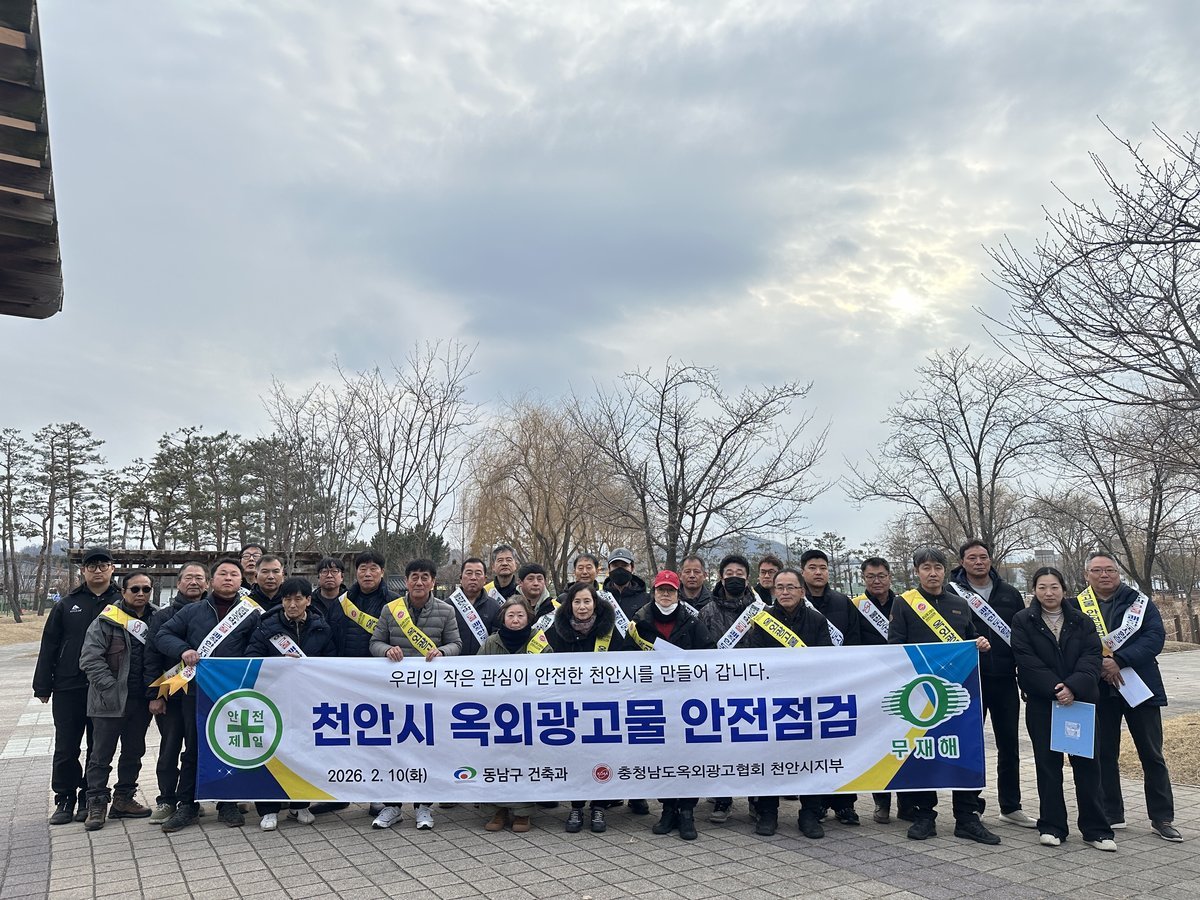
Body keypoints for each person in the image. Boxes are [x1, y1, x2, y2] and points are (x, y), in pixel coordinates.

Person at [888, 547, 1000, 845]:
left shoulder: (959, 604)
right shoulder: (904, 604)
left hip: (959, 693)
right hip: (921, 695)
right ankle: (924, 816)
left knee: (964, 750)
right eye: (926, 568)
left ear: (944, 570)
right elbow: (895, 648)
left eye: (938, 567)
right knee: (925, 752)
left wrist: (980, 643)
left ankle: (967, 817)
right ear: (916, 571)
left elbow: (969, 639)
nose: (933, 573)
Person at [1010, 567, 1114, 850]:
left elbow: (1091, 657)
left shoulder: (1082, 620)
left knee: (1088, 766)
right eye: (1042, 587)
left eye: (1054, 587)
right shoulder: (1023, 620)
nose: (1049, 593)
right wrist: (1056, 689)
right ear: (1034, 591)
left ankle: (1096, 829)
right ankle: (1052, 826)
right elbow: (1026, 660)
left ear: (1064, 590)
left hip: (1080, 702)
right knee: (1047, 766)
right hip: (1044, 704)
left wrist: (1073, 687)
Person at [1081, 551, 1181, 841]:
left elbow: (1154, 638)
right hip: (1100, 688)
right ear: (1087, 575)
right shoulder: (1078, 606)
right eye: (1097, 570)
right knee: (1104, 753)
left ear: (1118, 573)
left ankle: (1162, 817)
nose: (1104, 575)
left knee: (1152, 754)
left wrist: (1119, 660)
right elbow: (1075, 642)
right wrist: (1100, 664)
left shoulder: (1140, 603)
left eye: (1110, 570)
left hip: (1140, 687)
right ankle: (1112, 813)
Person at [156, 558, 261, 833]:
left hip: (233, 692)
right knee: (194, 748)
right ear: (211, 581)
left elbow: (258, 646)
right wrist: (183, 650)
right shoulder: (193, 611)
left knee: (229, 746)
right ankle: (187, 805)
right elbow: (163, 635)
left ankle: (227, 803)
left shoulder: (251, 613)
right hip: (197, 692)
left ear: (241, 581)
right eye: (222, 574)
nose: (228, 578)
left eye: (234, 574)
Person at [370, 559, 462, 831]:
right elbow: (375, 642)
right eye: (414, 577)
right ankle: (392, 806)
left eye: (425, 577)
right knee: (393, 748)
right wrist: (386, 650)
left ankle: (424, 806)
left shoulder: (446, 610)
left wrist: (442, 652)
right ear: (406, 581)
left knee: (427, 749)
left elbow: (456, 643)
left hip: (430, 694)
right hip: (396, 693)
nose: (419, 582)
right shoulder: (390, 610)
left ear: (433, 581)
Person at [744, 567, 833, 838]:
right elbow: (755, 659)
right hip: (773, 701)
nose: (784, 592)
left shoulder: (817, 620)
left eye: (790, 587)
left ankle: (810, 813)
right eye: (779, 587)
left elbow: (827, 659)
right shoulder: (763, 621)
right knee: (769, 756)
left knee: (810, 758)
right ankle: (767, 812)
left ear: (802, 591)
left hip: (808, 700)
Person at [34, 546, 120, 825]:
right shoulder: (67, 604)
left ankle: (90, 796)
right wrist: (42, 685)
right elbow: (50, 644)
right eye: (91, 566)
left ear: (112, 568)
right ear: (83, 570)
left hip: (105, 687)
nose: (98, 570)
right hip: (68, 685)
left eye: (103, 565)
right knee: (66, 746)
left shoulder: (122, 601)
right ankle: (65, 797)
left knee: (99, 747)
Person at [950, 539, 1032, 828]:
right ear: (962, 562)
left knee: (1009, 744)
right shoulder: (951, 594)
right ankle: (970, 806)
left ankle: (1011, 806)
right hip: (969, 681)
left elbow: (1022, 636)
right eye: (972, 557)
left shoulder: (1009, 593)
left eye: (983, 556)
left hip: (1006, 678)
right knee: (970, 744)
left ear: (990, 559)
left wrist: (1025, 676)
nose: (978, 562)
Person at [247, 577, 337, 830]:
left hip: (307, 701)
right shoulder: (266, 627)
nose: (292, 604)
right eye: (287, 599)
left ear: (308, 600)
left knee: (304, 750)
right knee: (271, 751)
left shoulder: (321, 627)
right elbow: (251, 657)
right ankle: (268, 809)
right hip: (273, 700)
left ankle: (300, 804)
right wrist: (278, 662)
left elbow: (332, 662)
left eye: (298, 599)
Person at [632, 571, 712, 840]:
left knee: (689, 756)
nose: (665, 595)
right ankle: (668, 809)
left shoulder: (692, 621)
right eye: (661, 590)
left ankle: (687, 811)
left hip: (687, 703)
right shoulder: (639, 622)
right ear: (653, 592)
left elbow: (709, 656)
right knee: (661, 756)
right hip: (653, 702)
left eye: (670, 590)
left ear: (678, 594)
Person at [546, 581, 629, 833]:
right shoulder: (555, 632)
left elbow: (625, 665)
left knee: (601, 755)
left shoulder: (610, 632)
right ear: (569, 605)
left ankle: (599, 806)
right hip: (569, 707)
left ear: (596, 604)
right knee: (574, 756)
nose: (582, 607)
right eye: (577, 602)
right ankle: (576, 806)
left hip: (602, 707)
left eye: (587, 601)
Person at [78, 571, 157, 830]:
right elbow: (90, 659)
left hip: (140, 701)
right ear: (123, 591)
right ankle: (96, 803)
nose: (141, 594)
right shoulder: (106, 620)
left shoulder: (157, 618)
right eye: (135, 589)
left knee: (134, 752)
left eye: (146, 589)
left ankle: (124, 799)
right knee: (101, 755)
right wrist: (110, 689)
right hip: (108, 700)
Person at [800, 548, 862, 827]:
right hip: (806, 686)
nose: (818, 572)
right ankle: (817, 804)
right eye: (812, 567)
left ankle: (845, 804)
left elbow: (854, 640)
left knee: (842, 745)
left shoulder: (842, 602)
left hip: (838, 683)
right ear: (803, 571)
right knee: (811, 746)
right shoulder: (796, 602)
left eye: (823, 567)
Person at [477, 596, 549, 833]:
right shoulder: (491, 643)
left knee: (525, 760)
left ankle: (523, 812)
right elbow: (476, 674)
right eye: (511, 615)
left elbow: (550, 673)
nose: (515, 620)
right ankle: (497, 809)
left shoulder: (538, 641)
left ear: (529, 617)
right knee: (496, 759)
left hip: (528, 713)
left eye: (520, 615)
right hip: (496, 713)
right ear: (503, 618)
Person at [143, 561, 208, 822]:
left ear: (207, 583)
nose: (194, 582)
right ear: (178, 582)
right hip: (170, 693)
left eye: (199, 578)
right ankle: (167, 799)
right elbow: (150, 656)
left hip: (202, 695)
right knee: (170, 748)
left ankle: (191, 799)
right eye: (188, 577)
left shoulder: (213, 615)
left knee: (196, 749)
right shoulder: (163, 616)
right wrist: (155, 695)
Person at [852, 556, 912, 825]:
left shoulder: (906, 604)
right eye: (871, 576)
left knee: (905, 741)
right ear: (863, 578)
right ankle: (881, 801)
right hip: (872, 683)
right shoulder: (855, 607)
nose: (877, 581)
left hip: (903, 682)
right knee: (878, 744)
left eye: (881, 576)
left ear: (890, 576)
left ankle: (908, 803)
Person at [697, 553, 755, 825]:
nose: (734, 578)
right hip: (717, 690)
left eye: (739, 574)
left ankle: (758, 800)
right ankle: (723, 799)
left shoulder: (761, 610)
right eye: (729, 573)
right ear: (720, 578)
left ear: (748, 578)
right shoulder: (707, 612)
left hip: (753, 689)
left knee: (754, 746)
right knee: (720, 747)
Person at [449, 557, 503, 656]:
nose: (473, 578)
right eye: (469, 573)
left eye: (478, 573)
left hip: (484, 663)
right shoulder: (447, 606)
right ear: (461, 578)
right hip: (453, 663)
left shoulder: (495, 607)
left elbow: (498, 640)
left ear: (485, 579)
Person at [309, 557, 348, 656]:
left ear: (342, 576)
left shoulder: (351, 601)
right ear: (318, 577)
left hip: (345, 657)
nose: (329, 576)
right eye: (324, 572)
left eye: (334, 571)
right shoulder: (308, 603)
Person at [606, 548, 651, 618]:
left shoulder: (646, 599)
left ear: (632, 568)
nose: (620, 570)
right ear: (609, 568)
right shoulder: (600, 598)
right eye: (615, 566)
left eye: (624, 565)